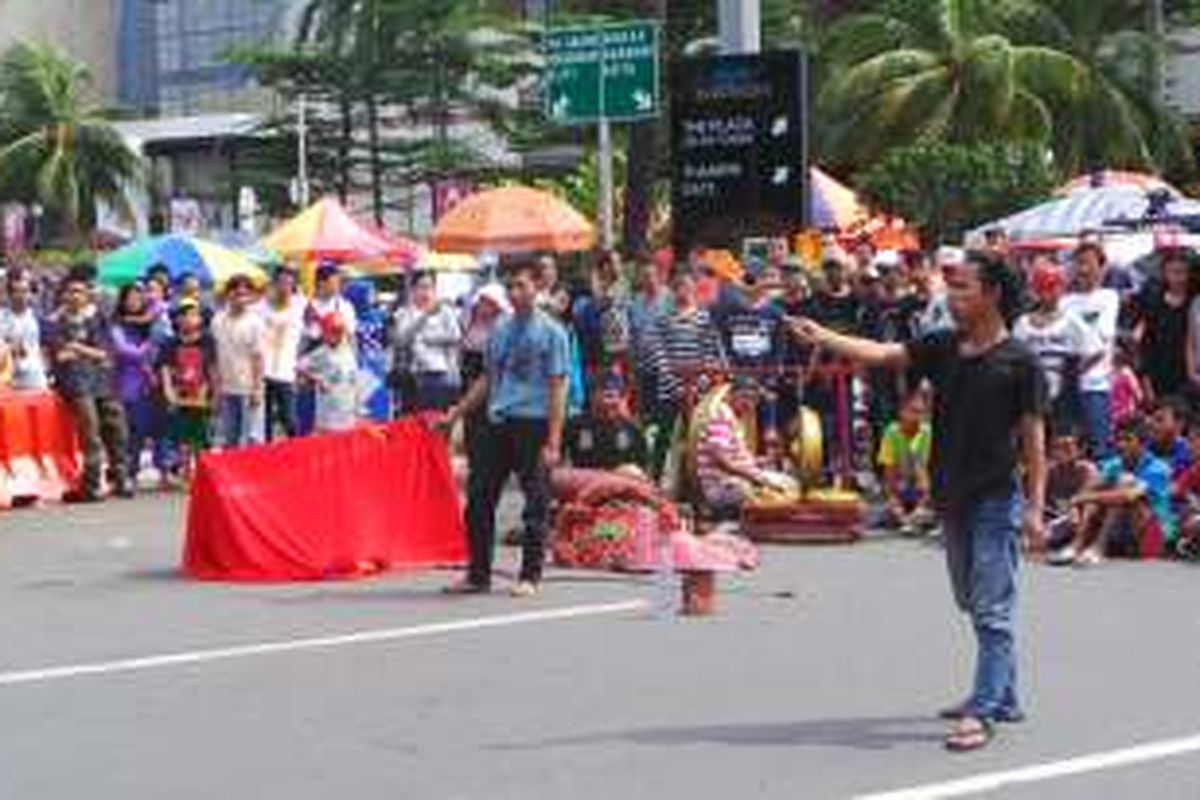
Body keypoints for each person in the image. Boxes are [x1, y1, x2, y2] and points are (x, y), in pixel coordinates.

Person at [789, 250, 1047, 752]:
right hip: (951, 497)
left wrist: (1035, 508)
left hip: (996, 498)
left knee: (993, 606)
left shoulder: (1021, 362)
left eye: (964, 288)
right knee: (971, 599)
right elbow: (884, 354)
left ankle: (985, 709)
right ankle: (1005, 693)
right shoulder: (942, 346)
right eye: (951, 288)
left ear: (993, 294)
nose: (952, 298)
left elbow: (1035, 440)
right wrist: (825, 336)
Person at [440, 259, 570, 598]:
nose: (515, 293)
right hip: (497, 422)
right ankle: (478, 574)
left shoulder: (553, 332)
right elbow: (488, 378)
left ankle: (529, 575)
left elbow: (558, 387)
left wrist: (554, 440)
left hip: (534, 423)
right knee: (479, 500)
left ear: (537, 287)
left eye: (522, 286)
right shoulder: (499, 329)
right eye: (510, 286)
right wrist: (457, 412)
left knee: (535, 503)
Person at [46, 274, 132, 501]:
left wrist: (77, 348)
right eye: (70, 291)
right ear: (63, 295)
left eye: (79, 291)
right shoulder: (55, 322)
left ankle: (120, 479)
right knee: (90, 432)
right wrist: (88, 351)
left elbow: (106, 353)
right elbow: (60, 356)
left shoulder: (98, 319)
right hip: (75, 384)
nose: (74, 295)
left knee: (117, 430)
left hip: (103, 383)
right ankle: (91, 485)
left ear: (87, 295)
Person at [1053, 417, 1175, 566]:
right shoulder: (1114, 464)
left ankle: (1099, 548)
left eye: (1128, 440)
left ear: (1142, 444)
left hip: (1152, 536)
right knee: (1098, 498)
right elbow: (1088, 489)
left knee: (1123, 485)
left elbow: (1129, 495)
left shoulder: (1158, 468)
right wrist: (1076, 504)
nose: (1121, 445)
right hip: (1123, 531)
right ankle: (1076, 545)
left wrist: (1085, 497)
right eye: (1119, 439)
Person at [646, 271, 727, 479]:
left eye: (686, 285)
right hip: (669, 389)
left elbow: (711, 354)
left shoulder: (705, 319)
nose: (682, 290)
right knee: (663, 436)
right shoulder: (662, 319)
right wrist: (677, 386)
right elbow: (658, 354)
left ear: (693, 288)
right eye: (678, 286)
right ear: (673, 290)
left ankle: (700, 479)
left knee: (699, 437)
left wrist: (698, 384)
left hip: (699, 390)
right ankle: (655, 478)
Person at [1013, 260, 1102, 434]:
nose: (1048, 294)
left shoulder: (1071, 321)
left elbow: (1096, 350)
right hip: (1030, 392)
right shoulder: (1022, 324)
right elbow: (1014, 357)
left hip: (1063, 395)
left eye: (1053, 287)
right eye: (1043, 288)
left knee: (1063, 439)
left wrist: (1074, 371)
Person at [695, 375, 797, 514]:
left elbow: (737, 461)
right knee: (748, 491)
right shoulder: (721, 416)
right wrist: (757, 478)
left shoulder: (734, 418)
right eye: (744, 397)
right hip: (721, 486)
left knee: (790, 484)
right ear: (731, 395)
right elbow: (722, 461)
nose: (749, 403)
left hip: (738, 480)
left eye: (753, 399)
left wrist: (765, 460)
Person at [1061, 243, 1119, 460]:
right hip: (1067, 386)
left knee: (1100, 449)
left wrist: (1078, 366)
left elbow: (1102, 338)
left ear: (1102, 267)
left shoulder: (1109, 296)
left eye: (1088, 262)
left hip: (1096, 384)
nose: (1082, 269)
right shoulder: (1065, 301)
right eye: (1078, 263)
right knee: (1068, 450)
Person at [110, 283, 171, 488]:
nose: (136, 301)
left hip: (152, 383)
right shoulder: (117, 325)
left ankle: (157, 471)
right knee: (130, 431)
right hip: (128, 384)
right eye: (131, 298)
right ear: (123, 300)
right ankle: (127, 473)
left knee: (153, 428)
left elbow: (162, 307)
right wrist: (151, 344)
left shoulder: (150, 324)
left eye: (139, 297)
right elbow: (126, 351)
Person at [158, 299, 216, 482]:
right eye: (183, 315)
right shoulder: (170, 342)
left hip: (201, 393)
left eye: (193, 314)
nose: (187, 319)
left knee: (200, 435)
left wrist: (215, 392)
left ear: (200, 319)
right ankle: (185, 471)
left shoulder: (208, 340)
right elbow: (165, 368)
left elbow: (212, 368)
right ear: (176, 319)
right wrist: (168, 390)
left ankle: (202, 472)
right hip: (179, 394)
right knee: (181, 436)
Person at [393, 271, 463, 412]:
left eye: (429, 287)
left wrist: (429, 338)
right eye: (421, 287)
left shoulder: (445, 311)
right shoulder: (404, 312)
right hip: (411, 376)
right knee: (413, 423)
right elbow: (401, 340)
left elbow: (456, 336)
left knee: (436, 421)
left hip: (438, 375)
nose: (425, 292)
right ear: (412, 290)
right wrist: (425, 316)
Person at [211, 275, 266, 448]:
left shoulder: (255, 322)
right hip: (226, 388)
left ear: (251, 296)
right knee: (229, 437)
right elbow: (215, 354)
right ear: (228, 294)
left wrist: (257, 389)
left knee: (250, 438)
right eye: (236, 291)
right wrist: (216, 387)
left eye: (245, 292)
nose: (240, 296)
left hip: (248, 388)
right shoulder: (218, 320)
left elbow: (258, 357)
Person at [1134, 248, 1193, 404]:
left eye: (1182, 272)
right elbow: (1146, 343)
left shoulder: (1194, 304)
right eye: (1173, 272)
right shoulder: (1154, 303)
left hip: (1189, 378)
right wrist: (1146, 381)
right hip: (1158, 376)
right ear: (1164, 273)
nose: (1178, 278)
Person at [258, 266, 305, 440]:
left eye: (289, 284)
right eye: (281, 282)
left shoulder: (300, 305)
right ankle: (266, 457)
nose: (285, 287)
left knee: (290, 420)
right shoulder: (260, 307)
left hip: (286, 372)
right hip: (263, 372)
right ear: (274, 284)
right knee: (264, 422)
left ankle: (295, 455)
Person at [565, 372, 647, 471]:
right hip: (586, 480)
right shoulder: (577, 425)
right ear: (592, 396)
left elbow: (639, 466)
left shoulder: (630, 430)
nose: (612, 402)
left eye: (617, 396)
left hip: (620, 480)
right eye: (607, 396)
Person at [877, 389, 934, 533]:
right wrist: (894, 502)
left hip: (926, 491)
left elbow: (930, 476)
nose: (918, 417)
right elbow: (888, 475)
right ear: (902, 413)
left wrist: (923, 505)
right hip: (903, 488)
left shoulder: (928, 433)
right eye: (913, 411)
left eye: (921, 412)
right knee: (891, 513)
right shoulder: (891, 432)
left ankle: (920, 515)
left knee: (928, 511)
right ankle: (908, 516)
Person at [298, 314, 360, 434]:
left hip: (348, 415)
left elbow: (355, 382)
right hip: (328, 417)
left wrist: (357, 411)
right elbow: (299, 367)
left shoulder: (350, 351)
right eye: (332, 331)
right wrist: (317, 379)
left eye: (338, 331)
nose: (335, 335)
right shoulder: (321, 353)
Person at [1044, 426, 1099, 552]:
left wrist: (1072, 509)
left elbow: (1082, 498)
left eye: (1067, 447)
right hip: (1057, 519)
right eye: (1056, 447)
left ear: (1080, 450)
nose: (1060, 452)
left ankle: (1077, 544)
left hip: (1081, 520)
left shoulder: (1087, 470)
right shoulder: (1050, 471)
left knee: (1087, 505)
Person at [0, 268, 49, 390]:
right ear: (9, 294)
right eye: (16, 291)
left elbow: (46, 348)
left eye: (25, 291)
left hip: (33, 377)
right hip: (5, 377)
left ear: (30, 294)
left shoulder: (39, 318)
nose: (21, 296)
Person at [1147, 397, 1192, 478]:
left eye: (1159, 420)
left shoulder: (1189, 454)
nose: (1152, 425)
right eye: (1152, 419)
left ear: (1179, 424)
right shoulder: (1148, 445)